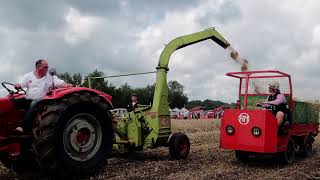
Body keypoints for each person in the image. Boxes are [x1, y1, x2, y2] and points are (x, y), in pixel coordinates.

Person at [14, 59, 72, 133]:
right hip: (28, 99)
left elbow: (59, 83)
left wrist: (67, 85)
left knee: (33, 103)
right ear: (38, 67)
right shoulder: (28, 76)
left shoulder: (50, 77)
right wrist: (18, 85)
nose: (47, 69)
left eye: (47, 67)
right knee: (14, 102)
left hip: (42, 102)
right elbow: (21, 84)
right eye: (45, 67)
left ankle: (23, 127)